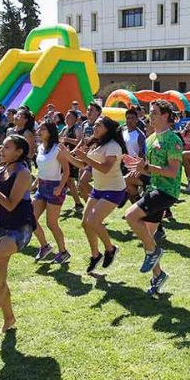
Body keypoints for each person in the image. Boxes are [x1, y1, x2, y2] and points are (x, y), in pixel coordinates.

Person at [123, 100, 183, 295]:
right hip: (153, 188)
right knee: (147, 236)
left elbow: (172, 172)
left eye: (155, 112)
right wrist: (138, 170)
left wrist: (146, 168)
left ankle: (154, 253)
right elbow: (151, 171)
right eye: (150, 112)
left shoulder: (173, 139)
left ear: (165, 116)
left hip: (167, 192)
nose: (151, 116)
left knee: (131, 216)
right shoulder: (150, 139)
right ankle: (158, 276)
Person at [0, 135, 36, 335]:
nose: (1, 150)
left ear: (19, 152)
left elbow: (11, 204)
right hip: (1, 225)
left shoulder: (23, 173)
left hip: (20, 228)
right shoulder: (1, 171)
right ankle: (9, 319)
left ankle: (0, 291)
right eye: (2, 146)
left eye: (7, 147)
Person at [69, 117, 127, 273]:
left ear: (107, 129)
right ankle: (95, 255)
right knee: (85, 223)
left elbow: (106, 168)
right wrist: (67, 157)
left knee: (93, 221)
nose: (94, 127)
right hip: (99, 189)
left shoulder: (113, 146)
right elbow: (83, 164)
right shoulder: (96, 144)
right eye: (94, 124)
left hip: (114, 190)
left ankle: (110, 248)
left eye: (98, 125)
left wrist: (86, 158)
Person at [30, 121, 72, 264]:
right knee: (31, 219)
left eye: (43, 129)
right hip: (41, 187)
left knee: (51, 224)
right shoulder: (40, 147)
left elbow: (66, 170)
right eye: (40, 128)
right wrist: (34, 184)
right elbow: (41, 169)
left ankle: (63, 252)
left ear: (51, 132)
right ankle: (45, 246)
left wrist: (60, 187)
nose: (40, 131)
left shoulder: (57, 149)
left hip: (55, 188)